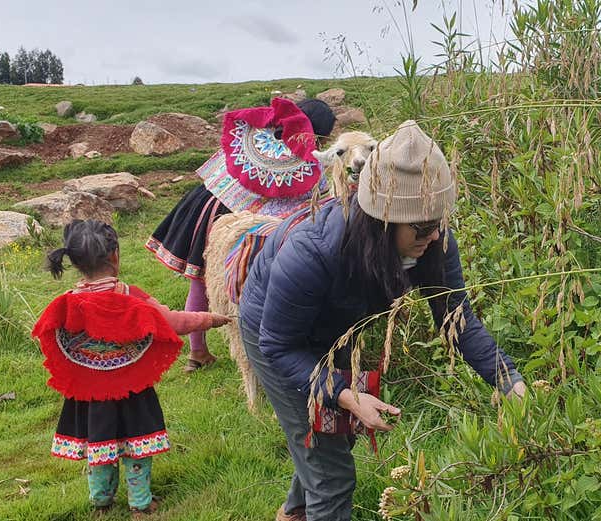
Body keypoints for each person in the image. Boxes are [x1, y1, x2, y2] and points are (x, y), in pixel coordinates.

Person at [238, 121, 526, 521]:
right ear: (382, 222)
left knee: (329, 438)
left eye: (438, 223)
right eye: (422, 228)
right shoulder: (314, 251)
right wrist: (347, 394)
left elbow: (456, 319)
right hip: (276, 332)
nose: (434, 237)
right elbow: (279, 346)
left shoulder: (433, 239)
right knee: (334, 475)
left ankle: (294, 514)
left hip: (337, 329)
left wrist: (508, 379)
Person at [32, 220, 230, 516]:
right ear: (115, 256)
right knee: (137, 445)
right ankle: (140, 503)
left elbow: (52, 338)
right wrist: (210, 319)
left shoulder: (66, 305)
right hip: (131, 388)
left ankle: (101, 499)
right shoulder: (132, 297)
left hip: (89, 394)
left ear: (73, 262)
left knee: (99, 447)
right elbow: (173, 323)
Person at [146, 98, 336, 373]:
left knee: (199, 281)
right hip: (229, 220)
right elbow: (306, 203)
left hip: (206, 201)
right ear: (319, 133)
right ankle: (251, 349)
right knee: (234, 284)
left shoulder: (258, 136)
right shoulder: (303, 164)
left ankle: (197, 352)